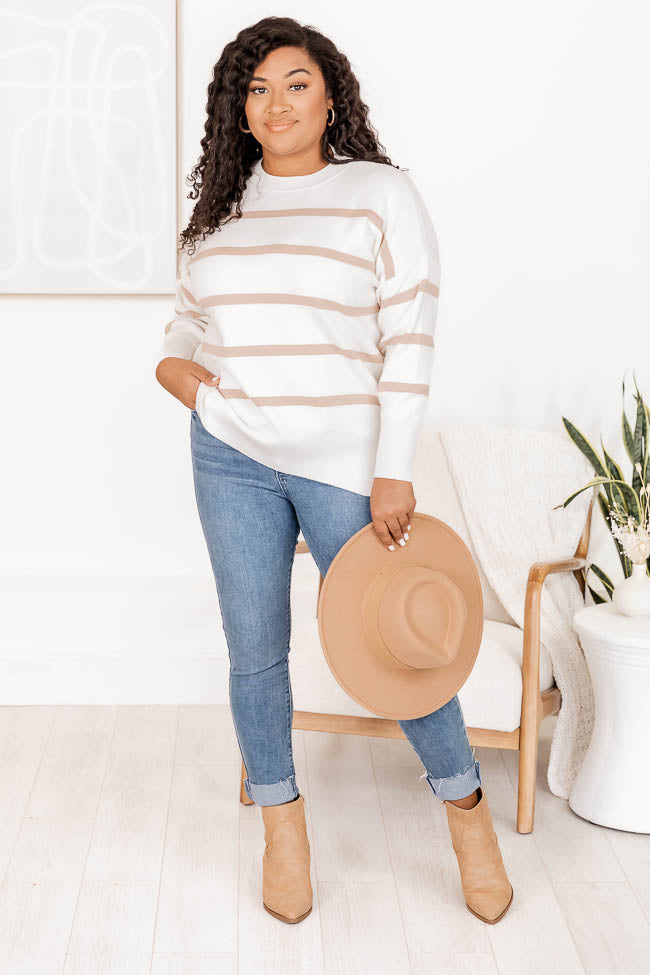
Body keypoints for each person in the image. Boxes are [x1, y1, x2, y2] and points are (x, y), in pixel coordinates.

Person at [155, 16, 513, 926]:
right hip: (231, 454)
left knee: (395, 642)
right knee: (254, 648)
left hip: (346, 461)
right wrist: (177, 371)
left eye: (297, 84)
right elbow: (187, 318)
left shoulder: (378, 194)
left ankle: (467, 813)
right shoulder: (219, 212)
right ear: (238, 110)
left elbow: (410, 338)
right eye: (257, 88)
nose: (276, 103)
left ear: (330, 98)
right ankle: (283, 828)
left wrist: (393, 469)